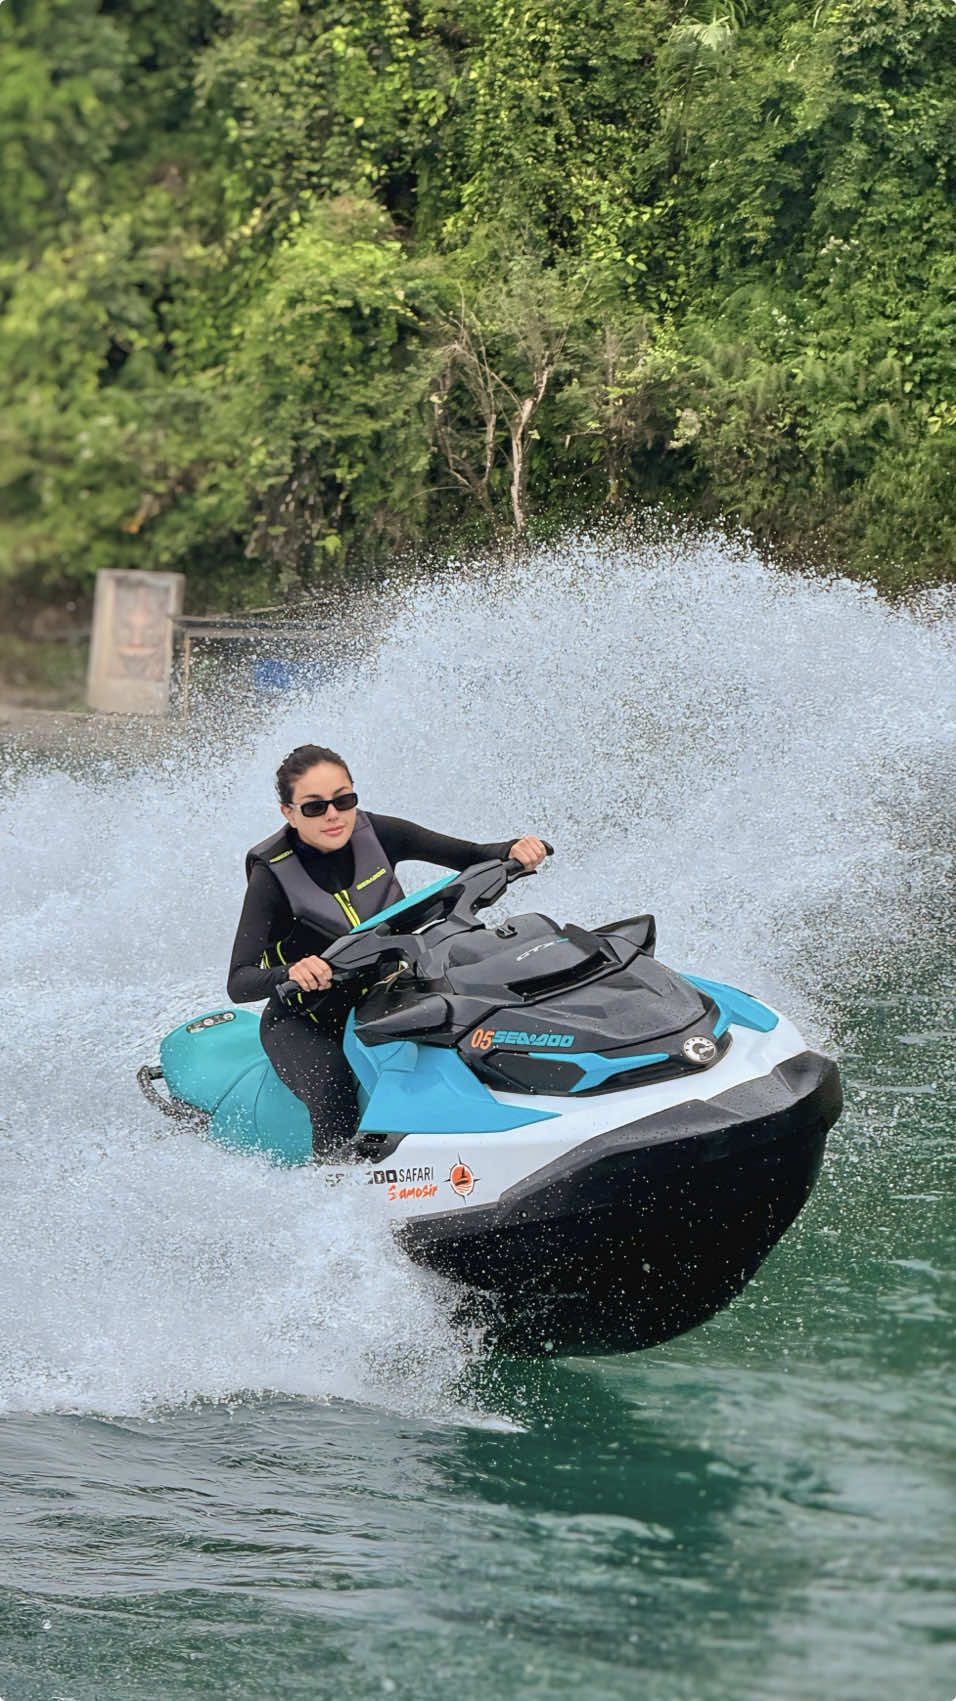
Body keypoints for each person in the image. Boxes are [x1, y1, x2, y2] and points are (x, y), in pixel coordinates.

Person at [228, 743, 548, 1159]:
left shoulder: (378, 833)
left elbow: (471, 856)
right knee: (333, 1090)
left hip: (390, 999)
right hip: (307, 1020)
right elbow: (240, 981)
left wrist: (516, 850)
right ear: (288, 813)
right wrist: (292, 972)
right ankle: (336, 1196)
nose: (333, 815)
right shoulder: (271, 878)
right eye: (314, 807)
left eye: (344, 800)